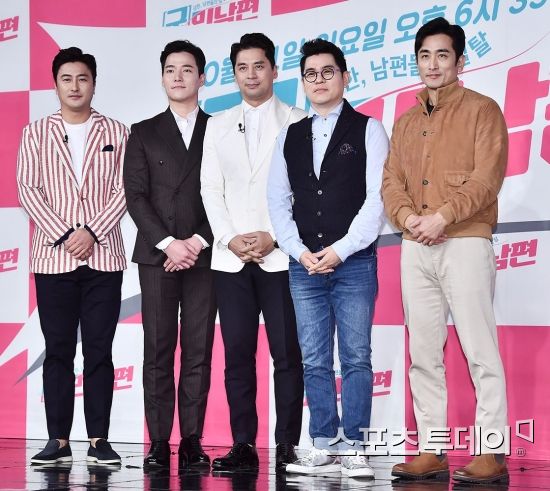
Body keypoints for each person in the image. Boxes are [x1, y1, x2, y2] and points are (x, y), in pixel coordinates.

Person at [382, 17, 509, 484]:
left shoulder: (482, 110)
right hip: (415, 244)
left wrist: (443, 216)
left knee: (479, 349)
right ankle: (432, 450)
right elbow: (391, 181)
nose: (432, 64)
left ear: (460, 60)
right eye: (424, 55)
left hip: (466, 239)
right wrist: (408, 219)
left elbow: (487, 178)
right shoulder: (406, 120)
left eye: (442, 55)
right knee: (423, 353)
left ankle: (492, 451)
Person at [267, 38, 389, 478]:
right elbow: (277, 201)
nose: (319, 80)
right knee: (314, 359)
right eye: (310, 74)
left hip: (354, 263)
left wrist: (340, 249)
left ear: (345, 77)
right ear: (303, 82)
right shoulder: (290, 135)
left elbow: (377, 199)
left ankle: (355, 445)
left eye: (327, 72)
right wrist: (299, 252)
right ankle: (323, 443)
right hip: (304, 267)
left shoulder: (369, 129)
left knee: (356, 356)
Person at [200, 33, 305, 471]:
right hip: (231, 260)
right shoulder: (218, 124)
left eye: (259, 66)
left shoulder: (298, 120)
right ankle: (242, 443)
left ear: (274, 70)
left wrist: (274, 236)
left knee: (288, 355)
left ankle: (287, 444)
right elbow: (210, 189)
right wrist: (229, 238)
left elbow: (304, 190)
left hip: (280, 257)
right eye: (242, 68)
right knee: (238, 356)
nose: (251, 75)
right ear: (234, 74)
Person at [17, 47, 128, 465]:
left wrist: (92, 232)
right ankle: (58, 440)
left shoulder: (117, 131)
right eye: (67, 78)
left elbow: (125, 190)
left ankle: (99, 439)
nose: (75, 86)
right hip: (54, 259)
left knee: (100, 350)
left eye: (83, 78)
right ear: (56, 84)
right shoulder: (36, 132)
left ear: (94, 83)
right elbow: (28, 189)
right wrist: (66, 235)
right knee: (58, 350)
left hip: (104, 258)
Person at [123, 40, 216, 469]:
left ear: (202, 77)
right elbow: (136, 196)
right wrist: (169, 243)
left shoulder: (219, 129)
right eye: (170, 70)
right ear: (162, 78)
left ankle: (192, 439)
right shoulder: (143, 131)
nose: (178, 77)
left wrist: (195, 242)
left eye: (187, 69)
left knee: (198, 350)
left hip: (204, 255)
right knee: (157, 349)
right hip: (157, 255)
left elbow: (228, 195)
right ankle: (159, 440)